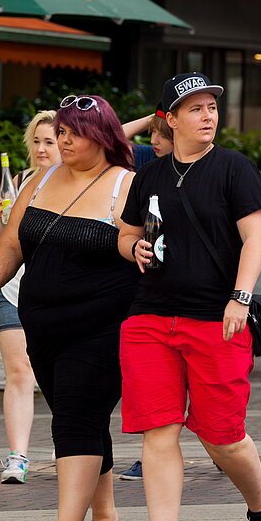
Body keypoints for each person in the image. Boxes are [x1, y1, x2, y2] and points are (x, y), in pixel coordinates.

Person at [117, 72, 261, 521]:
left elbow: (256, 239)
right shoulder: (148, 173)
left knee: (222, 437)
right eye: (195, 108)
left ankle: (260, 501)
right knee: (157, 431)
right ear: (170, 119)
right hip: (149, 318)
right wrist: (134, 251)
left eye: (211, 107)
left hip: (216, 318)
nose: (207, 115)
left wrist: (240, 297)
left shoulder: (234, 169)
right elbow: (127, 233)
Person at [0, 95, 138, 521]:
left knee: (77, 416)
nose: (62, 140)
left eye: (72, 132)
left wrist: (137, 249)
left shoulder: (125, 184)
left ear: (101, 136)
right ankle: (105, 513)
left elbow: (133, 242)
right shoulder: (40, 181)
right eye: (59, 131)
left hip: (104, 325)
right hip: (42, 325)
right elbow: (10, 244)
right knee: (76, 414)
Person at [0, 109, 60, 485]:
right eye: (37, 141)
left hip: (57, 295)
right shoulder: (17, 181)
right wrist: (4, 217)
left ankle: (66, 442)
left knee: (57, 373)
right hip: (13, 290)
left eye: (49, 141)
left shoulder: (79, 185)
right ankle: (17, 457)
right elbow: (2, 243)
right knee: (19, 373)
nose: (42, 148)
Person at [118, 106, 174, 482]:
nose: (153, 141)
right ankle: (149, 455)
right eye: (152, 134)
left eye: (161, 136)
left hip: (195, 295)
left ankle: (221, 446)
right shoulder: (145, 161)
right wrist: (156, 117)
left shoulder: (215, 168)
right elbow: (113, 136)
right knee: (153, 383)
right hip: (147, 284)